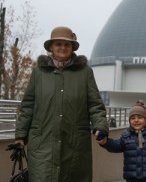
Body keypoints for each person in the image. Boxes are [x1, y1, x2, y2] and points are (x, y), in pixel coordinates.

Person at [14, 26, 109, 182]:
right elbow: (28, 106)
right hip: (42, 144)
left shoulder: (85, 72)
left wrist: (100, 127)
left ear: (72, 48)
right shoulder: (39, 72)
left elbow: (95, 105)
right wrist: (20, 136)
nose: (62, 48)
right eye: (58, 44)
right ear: (51, 47)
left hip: (74, 144)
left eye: (67, 44)